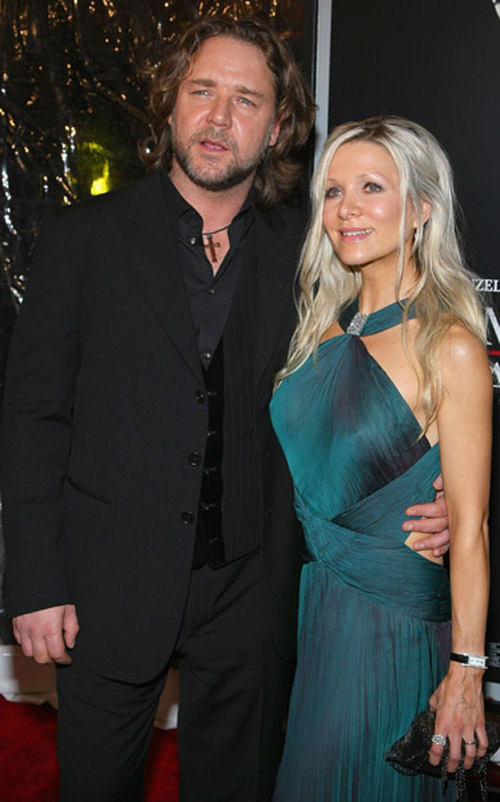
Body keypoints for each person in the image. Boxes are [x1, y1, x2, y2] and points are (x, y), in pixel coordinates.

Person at [1, 18, 449, 802]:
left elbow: (403, 365)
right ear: (171, 105)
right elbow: (34, 419)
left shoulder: (315, 251)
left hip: (254, 590)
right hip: (108, 585)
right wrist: (35, 580)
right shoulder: (82, 240)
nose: (218, 117)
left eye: (246, 100)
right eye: (202, 91)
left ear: (276, 128)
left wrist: (435, 492)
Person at [270, 116, 492, 801]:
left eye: (371, 187)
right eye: (334, 191)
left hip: (391, 628)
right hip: (316, 614)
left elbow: (472, 529)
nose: (347, 209)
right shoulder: (320, 330)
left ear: (421, 207)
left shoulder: (449, 345)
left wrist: (467, 672)